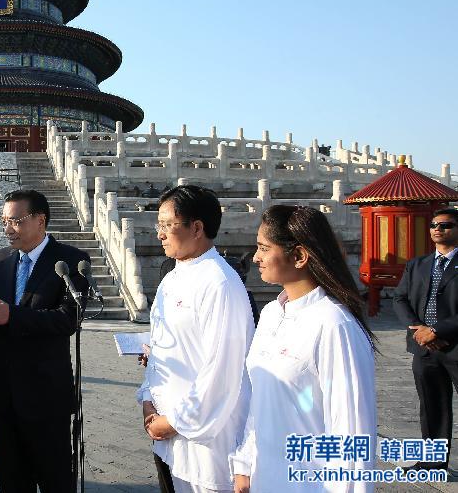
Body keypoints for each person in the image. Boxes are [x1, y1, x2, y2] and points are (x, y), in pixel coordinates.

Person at [0, 189, 90, 493]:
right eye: (4, 221)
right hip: (4, 391)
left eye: (15, 221)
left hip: (46, 394)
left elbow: (68, 319)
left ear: (40, 220)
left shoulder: (70, 261)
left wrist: (12, 316)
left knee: (55, 479)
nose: (7, 229)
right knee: (12, 479)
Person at [231, 205, 377, 492]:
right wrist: (245, 464)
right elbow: (260, 400)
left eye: (263, 248)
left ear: (298, 256)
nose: (256, 257)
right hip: (266, 478)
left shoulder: (335, 324)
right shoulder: (272, 313)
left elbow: (352, 431)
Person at [137, 185, 254, 493]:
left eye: (167, 225)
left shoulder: (219, 283)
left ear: (197, 227)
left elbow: (221, 371)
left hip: (207, 440)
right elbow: (160, 345)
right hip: (167, 430)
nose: (159, 234)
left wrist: (173, 421)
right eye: (158, 225)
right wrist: (148, 400)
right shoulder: (172, 277)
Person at [393, 207, 458, 471]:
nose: (438, 229)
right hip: (423, 347)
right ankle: (432, 463)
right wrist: (419, 331)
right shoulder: (417, 264)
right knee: (432, 406)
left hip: (454, 343)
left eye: (446, 225)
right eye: (434, 225)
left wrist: (439, 330)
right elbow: (400, 299)